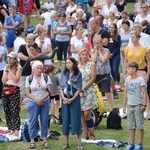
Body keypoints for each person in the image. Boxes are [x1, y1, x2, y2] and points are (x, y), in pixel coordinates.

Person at [25, 60, 51, 149]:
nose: (40, 70)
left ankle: (44, 139)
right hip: (33, 101)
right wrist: (36, 100)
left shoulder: (46, 77)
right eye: (38, 68)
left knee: (44, 120)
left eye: (41, 68)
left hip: (45, 101)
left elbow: (49, 91)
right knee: (33, 120)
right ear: (33, 69)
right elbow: (27, 93)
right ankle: (32, 139)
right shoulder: (29, 78)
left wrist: (41, 99)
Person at [123, 62, 147, 150]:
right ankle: (131, 143)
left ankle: (139, 144)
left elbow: (144, 94)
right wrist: (124, 106)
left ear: (134, 69)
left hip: (138, 105)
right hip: (130, 105)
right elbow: (126, 93)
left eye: (129, 68)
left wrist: (144, 105)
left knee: (140, 126)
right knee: (131, 125)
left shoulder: (140, 80)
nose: (127, 70)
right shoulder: (127, 79)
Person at [59, 57, 82, 150]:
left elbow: (79, 88)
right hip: (65, 98)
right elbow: (60, 87)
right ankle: (66, 142)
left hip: (74, 99)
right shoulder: (64, 74)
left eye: (70, 63)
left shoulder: (78, 74)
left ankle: (79, 142)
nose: (68, 64)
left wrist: (72, 98)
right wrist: (64, 98)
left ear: (74, 64)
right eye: (67, 63)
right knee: (65, 120)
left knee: (76, 119)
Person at [78, 48, 98, 140]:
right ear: (80, 56)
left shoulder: (92, 64)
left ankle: (92, 133)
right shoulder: (78, 67)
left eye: (86, 54)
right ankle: (85, 133)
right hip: (80, 92)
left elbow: (93, 78)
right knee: (81, 113)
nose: (84, 56)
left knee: (87, 113)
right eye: (83, 54)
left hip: (89, 91)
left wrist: (84, 87)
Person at [2, 51, 22, 138]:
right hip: (6, 88)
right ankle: (10, 127)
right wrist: (6, 71)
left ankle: (16, 129)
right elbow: (3, 80)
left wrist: (10, 70)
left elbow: (16, 79)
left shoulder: (18, 68)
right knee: (7, 109)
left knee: (14, 109)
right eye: (8, 58)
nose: (9, 60)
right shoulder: (6, 67)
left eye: (11, 58)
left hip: (14, 89)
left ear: (15, 59)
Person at [91, 35, 114, 111]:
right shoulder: (92, 51)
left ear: (101, 43)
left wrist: (100, 52)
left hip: (105, 74)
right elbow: (93, 60)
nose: (97, 45)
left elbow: (104, 60)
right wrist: (96, 52)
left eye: (98, 43)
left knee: (107, 92)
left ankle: (112, 109)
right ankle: (97, 108)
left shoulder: (106, 51)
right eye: (95, 43)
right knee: (96, 93)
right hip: (96, 74)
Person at [108, 23, 121, 90]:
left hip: (116, 54)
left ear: (115, 28)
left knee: (115, 69)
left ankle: (118, 82)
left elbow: (118, 47)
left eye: (112, 28)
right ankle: (113, 84)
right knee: (111, 70)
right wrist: (108, 53)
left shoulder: (118, 36)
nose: (111, 29)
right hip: (109, 55)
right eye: (110, 27)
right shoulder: (107, 36)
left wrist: (113, 53)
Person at [0, 35, 6, 109]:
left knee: (2, 85)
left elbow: (0, 58)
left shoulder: (2, 48)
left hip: (1, 69)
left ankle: (2, 102)